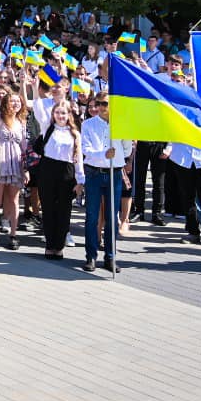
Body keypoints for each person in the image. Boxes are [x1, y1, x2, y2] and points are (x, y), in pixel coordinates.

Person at [79, 96, 130, 273]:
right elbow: (85, 150)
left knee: (111, 217)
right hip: (94, 172)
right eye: (98, 104)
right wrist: (103, 154)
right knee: (92, 216)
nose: (100, 107)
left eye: (104, 104)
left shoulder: (120, 123)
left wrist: (116, 157)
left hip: (113, 172)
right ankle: (91, 256)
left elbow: (127, 148)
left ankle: (110, 257)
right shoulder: (88, 124)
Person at [35, 102, 82, 261]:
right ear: (53, 114)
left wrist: (80, 180)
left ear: (69, 114)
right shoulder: (48, 128)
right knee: (48, 208)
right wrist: (34, 89)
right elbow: (38, 109)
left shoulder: (74, 133)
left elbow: (78, 158)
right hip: (48, 169)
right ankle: (50, 245)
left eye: (63, 113)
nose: (60, 116)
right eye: (57, 113)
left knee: (64, 210)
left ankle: (59, 246)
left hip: (66, 172)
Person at [0, 88, 30, 251]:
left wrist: (26, 169)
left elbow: (25, 147)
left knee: (14, 200)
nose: (16, 103)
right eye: (12, 100)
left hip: (16, 164)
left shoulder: (22, 122)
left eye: (18, 101)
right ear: (6, 103)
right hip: (0, 163)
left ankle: (13, 234)